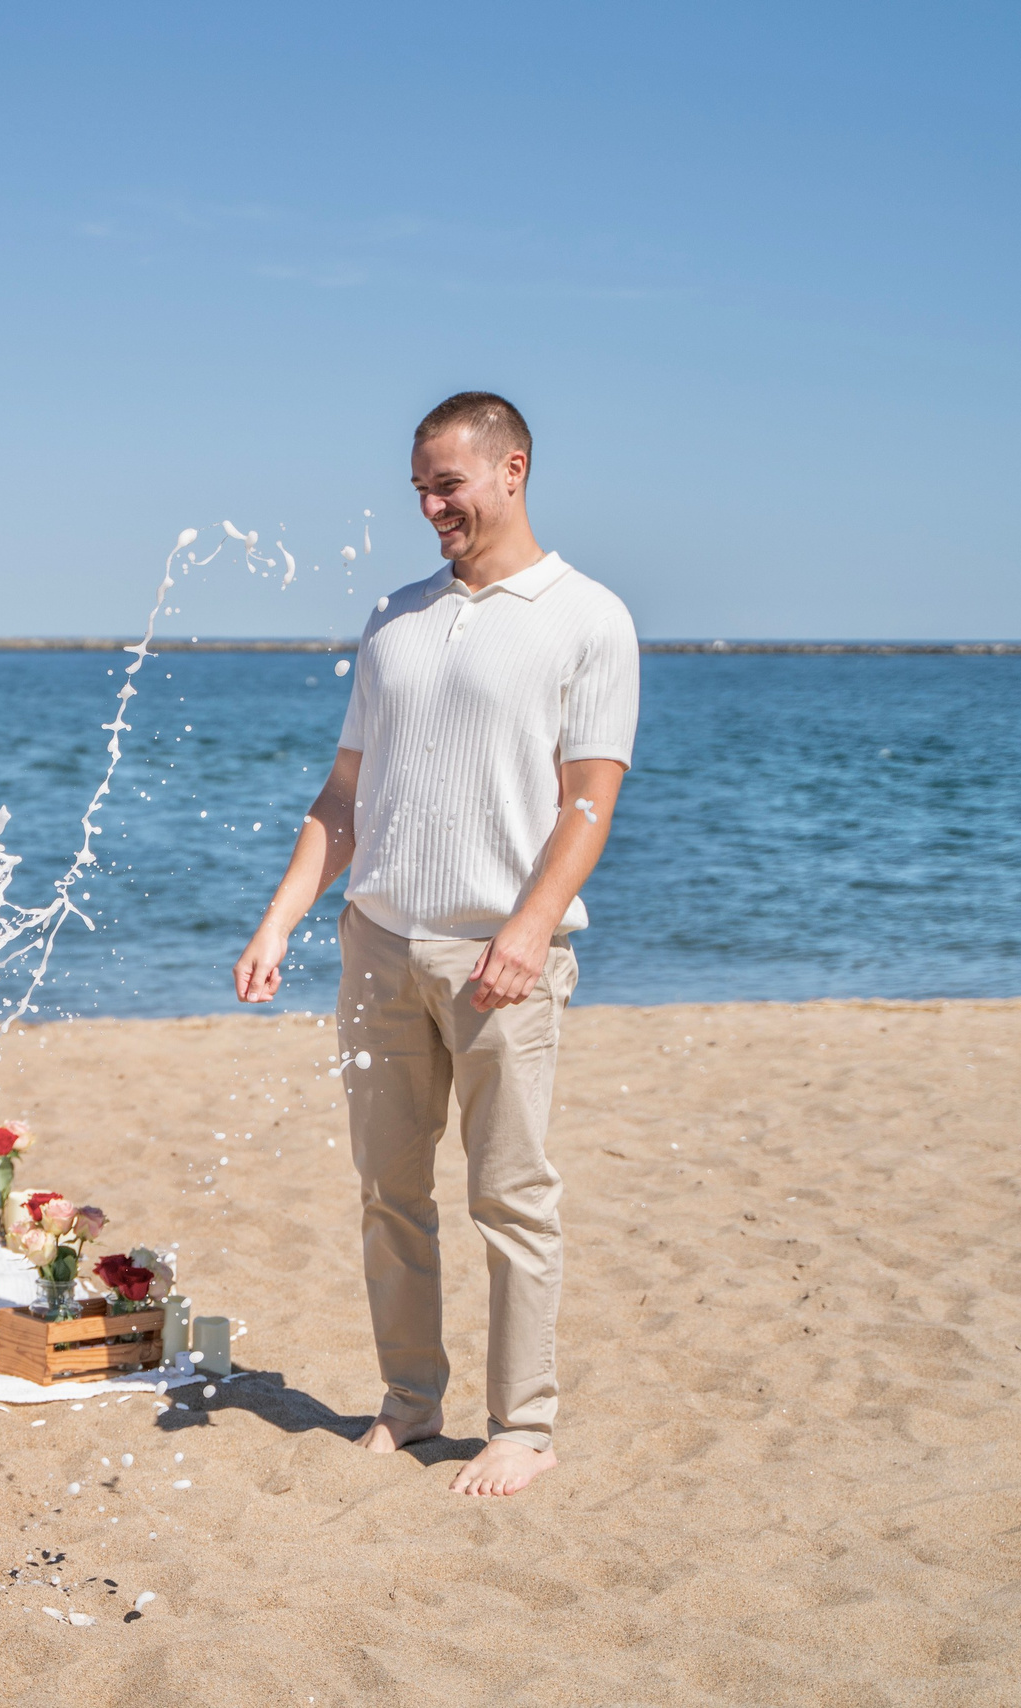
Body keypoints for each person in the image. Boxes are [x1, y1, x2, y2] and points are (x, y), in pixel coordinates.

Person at [233, 393, 637, 1498]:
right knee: (388, 1191)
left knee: (510, 1196)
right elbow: (345, 794)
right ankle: (410, 1402)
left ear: (512, 470)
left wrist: (529, 927)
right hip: (377, 945)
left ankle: (525, 1426)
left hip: (498, 957)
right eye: (418, 487)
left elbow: (589, 801)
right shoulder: (395, 617)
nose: (430, 507)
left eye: (448, 485)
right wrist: (281, 916)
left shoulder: (589, 617)